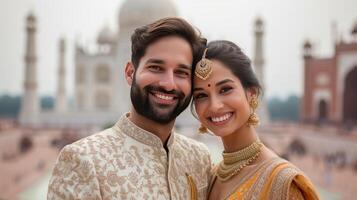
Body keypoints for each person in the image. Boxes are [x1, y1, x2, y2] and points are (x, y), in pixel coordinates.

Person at [47, 18, 212, 200]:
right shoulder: (83, 160)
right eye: (156, 67)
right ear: (129, 73)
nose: (168, 84)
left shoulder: (199, 158)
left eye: (181, 72)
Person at [192, 40, 319, 199]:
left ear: (252, 93)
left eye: (225, 89)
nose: (215, 106)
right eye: (201, 95)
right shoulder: (210, 177)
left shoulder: (283, 183)